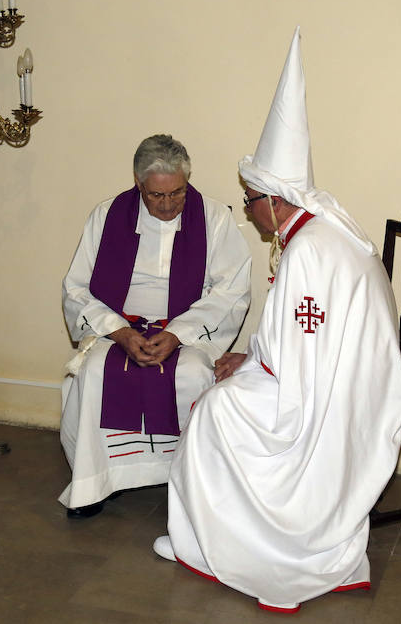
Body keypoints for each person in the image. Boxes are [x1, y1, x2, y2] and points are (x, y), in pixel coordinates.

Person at [153, 28, 401, 612]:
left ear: (273, 198)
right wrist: (256, 360)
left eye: (249, 202)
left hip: (329, 397)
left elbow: (296, 365)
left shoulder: (308, 250)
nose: (248, 213)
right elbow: (303, 340)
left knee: (215, 409)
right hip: (348, 379)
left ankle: (211, 544)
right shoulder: (322, 234)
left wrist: (245, 368)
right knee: (225, 391)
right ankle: (215, 534)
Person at [59, 134, 252, 518]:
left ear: (187, 179)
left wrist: (178, 332)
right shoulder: (107, 215)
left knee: (193, 371)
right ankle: (97, 482)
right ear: (138, 183)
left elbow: (232, 291)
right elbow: (76, 287)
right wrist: (119, 331)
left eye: (176, 194)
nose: (167, 205)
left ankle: (191, 483)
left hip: (186, 329)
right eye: (156, 196)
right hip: (119, 328)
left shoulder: (214, 218)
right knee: (97, 369)